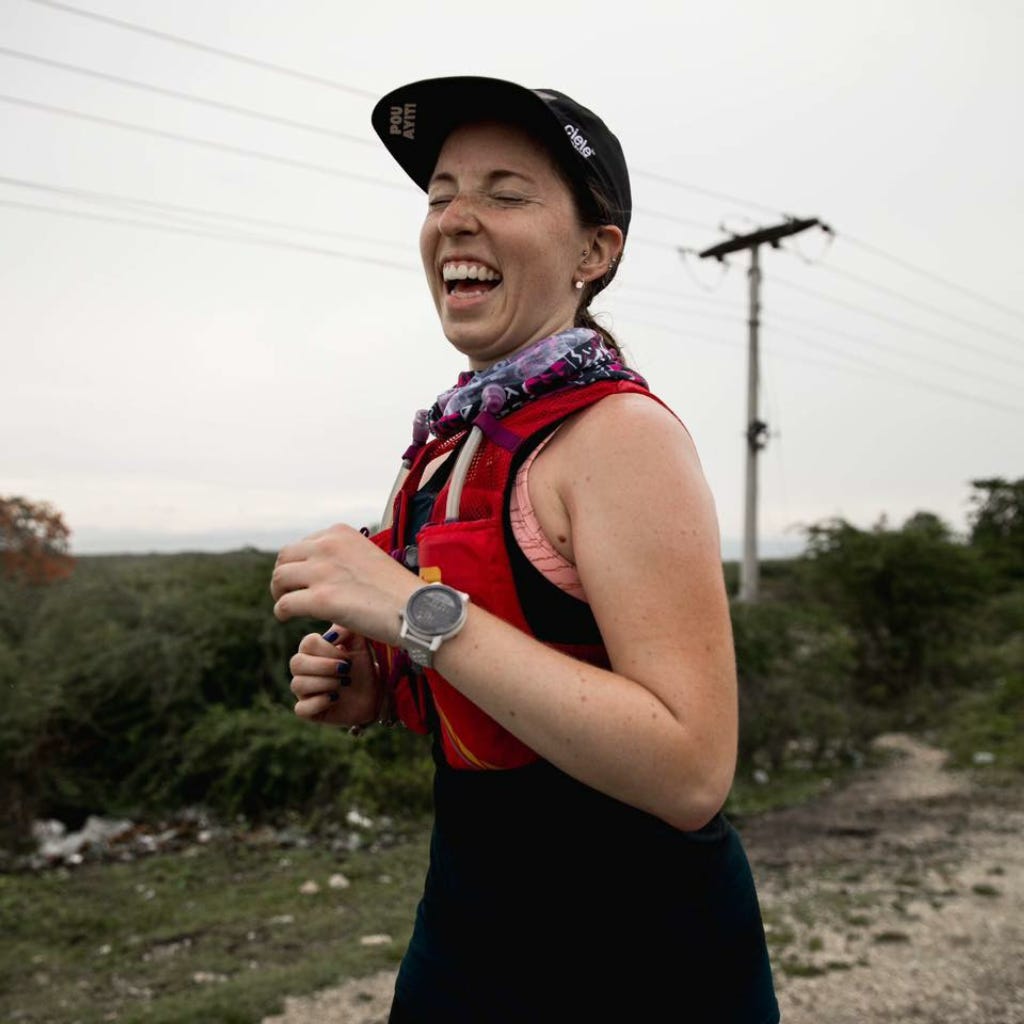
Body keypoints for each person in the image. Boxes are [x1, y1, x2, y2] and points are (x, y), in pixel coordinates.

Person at [270, 76, 780, 1024]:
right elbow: (504, 676)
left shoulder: (619, 436)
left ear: (595, 251)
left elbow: (691, 770)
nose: (456, 218)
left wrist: (412, 612)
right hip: (465, 935)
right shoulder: (454, 439)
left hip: (644, 964)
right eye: (440, 194)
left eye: (505, 193)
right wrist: (375, 686)